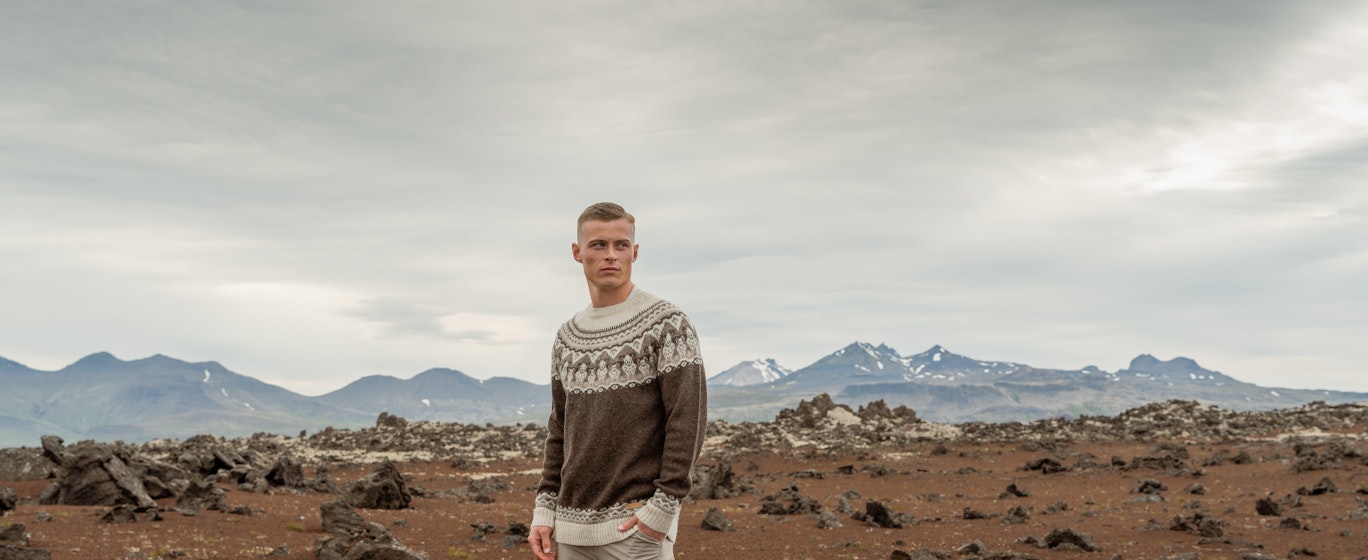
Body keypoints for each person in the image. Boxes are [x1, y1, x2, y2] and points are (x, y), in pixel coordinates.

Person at [528, 202, 707, 560]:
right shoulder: (567, 337)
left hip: (634, 529)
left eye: (621, 245)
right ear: (577, 253)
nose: (611, 255)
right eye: (599, 245)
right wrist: (544, 511)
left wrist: (662, 509)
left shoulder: (667, 324)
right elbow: (560, 430)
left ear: (634, 253)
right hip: (569, 533)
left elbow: (688, 418)